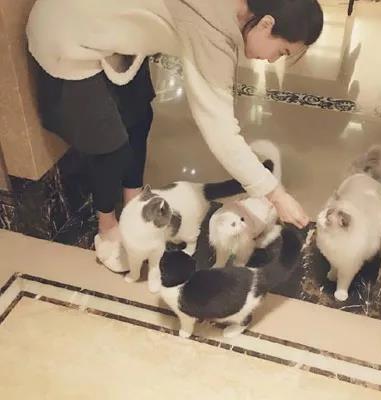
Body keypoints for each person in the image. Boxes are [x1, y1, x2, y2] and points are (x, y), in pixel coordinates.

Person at [26, 0, 323, 272]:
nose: (272, 61)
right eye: (281, 52)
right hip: (67, 28)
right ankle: (108, 229)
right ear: (266, 24)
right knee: (109, 145)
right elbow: (221, 131)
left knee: (139, 115)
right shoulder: (212, 30)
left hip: (106, 24)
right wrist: (275, 194)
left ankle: (133, 204)